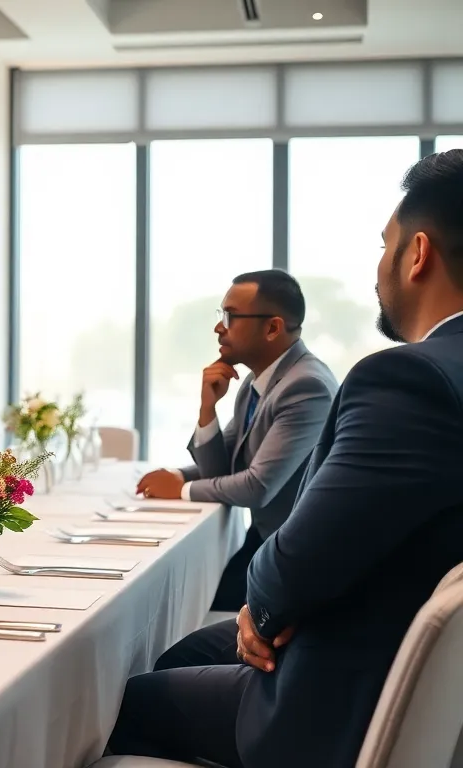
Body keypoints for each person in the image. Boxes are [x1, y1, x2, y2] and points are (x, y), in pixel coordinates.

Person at [107, 148, 463, 768]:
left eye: (385, 246)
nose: (377, 266)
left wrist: (265, 609)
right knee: (186, 654)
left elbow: (295, 556)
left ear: (419, 254)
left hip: (344, 690)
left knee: (120, 704)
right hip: (393, 644)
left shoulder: (408, 380)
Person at [136, 270, 337, 611]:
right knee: (185, 602)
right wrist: (206, 409)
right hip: (266, 539)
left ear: (272, 328)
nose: (219, 328)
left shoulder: (306, 387)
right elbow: (222, 468)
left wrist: (181, 489)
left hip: (297, 558)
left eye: (230, 316)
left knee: (182, 607)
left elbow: (258, 486)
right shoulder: (257, 381)